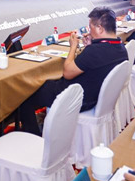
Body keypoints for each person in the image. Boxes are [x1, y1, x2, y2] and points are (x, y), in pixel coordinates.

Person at [17, 7, 126, 135]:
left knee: (26, 94)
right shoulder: (121, 48)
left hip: (78, 99)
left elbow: (67, 73)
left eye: (90, 27)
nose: (89, 31)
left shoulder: (95, 51)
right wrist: (90, 47)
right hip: (95, 95)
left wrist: (73, 47)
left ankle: (34, 136)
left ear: (100, 28)